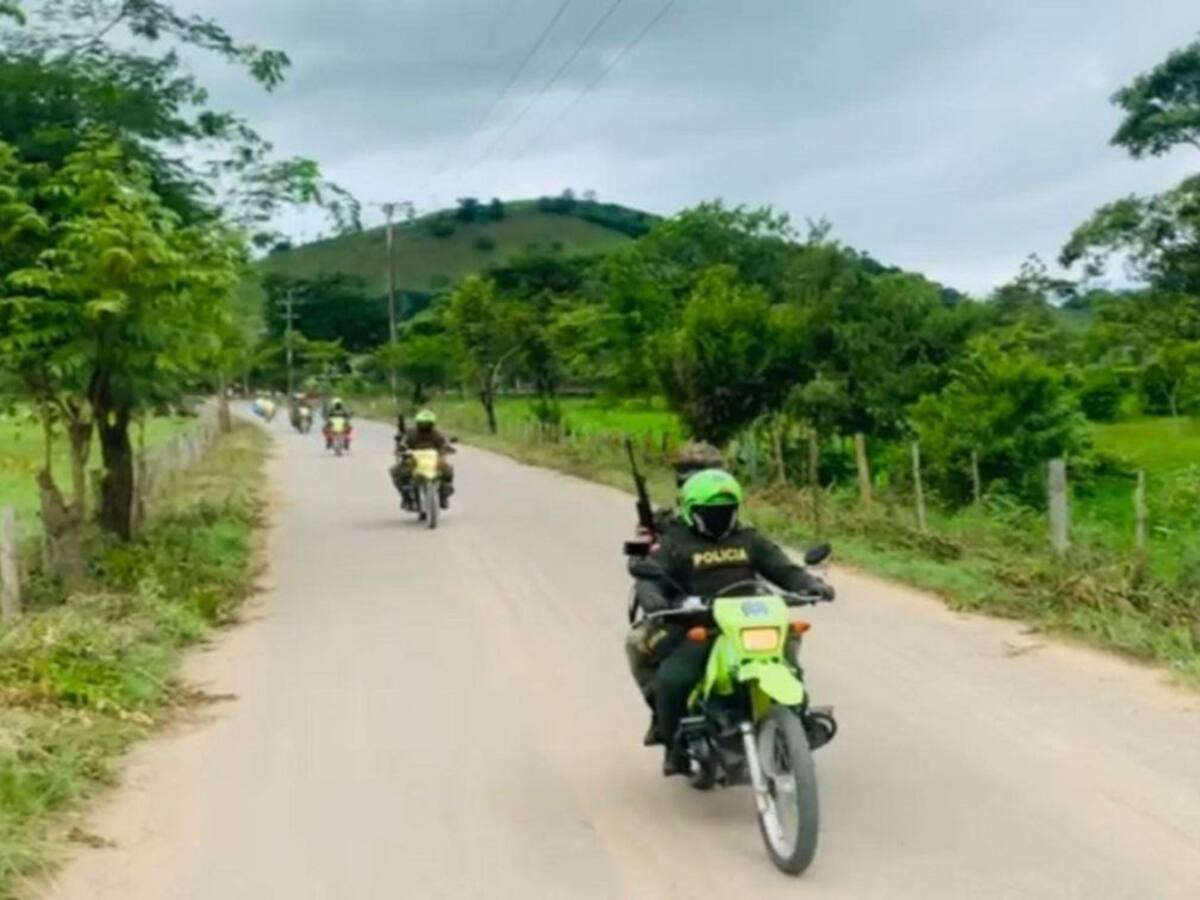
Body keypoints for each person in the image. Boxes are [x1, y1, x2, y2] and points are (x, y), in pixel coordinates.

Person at [629, 469, 834, 775]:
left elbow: (784, 570)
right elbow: (650, 576)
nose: (719, 517)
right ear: (690, 510)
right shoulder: (674, 541)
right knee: (673, 679)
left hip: (750, 623)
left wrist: (809, 584)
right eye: (710, 512)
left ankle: (797, 723)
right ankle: (674, 747)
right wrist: (653, 598)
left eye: (725, 511)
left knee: (789, 662)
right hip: (699, 624)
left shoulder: (749, 539)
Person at [390, 409, 455, 509]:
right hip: (414, 461)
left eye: (428, 423)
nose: (425, 426)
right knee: (397, 472)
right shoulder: (411, 433)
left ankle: (443, 497)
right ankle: (406, 498)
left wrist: (447, 449)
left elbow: (444, 443)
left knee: (448, 471)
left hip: (432, 461)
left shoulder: (436, 433)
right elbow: (403, 444)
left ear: (432, 424)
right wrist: (401, 449)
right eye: (423, 423)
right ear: (418, 423)